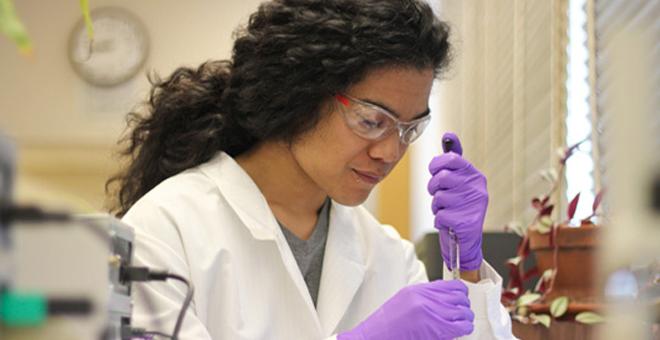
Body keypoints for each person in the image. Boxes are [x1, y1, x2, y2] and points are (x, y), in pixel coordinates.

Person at [108, 0, 516, 339]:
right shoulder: (163, 229)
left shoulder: (385, 254)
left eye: (410, 129)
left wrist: (468, 268)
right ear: (298, 96)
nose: (391, 152)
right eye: (372, 121)